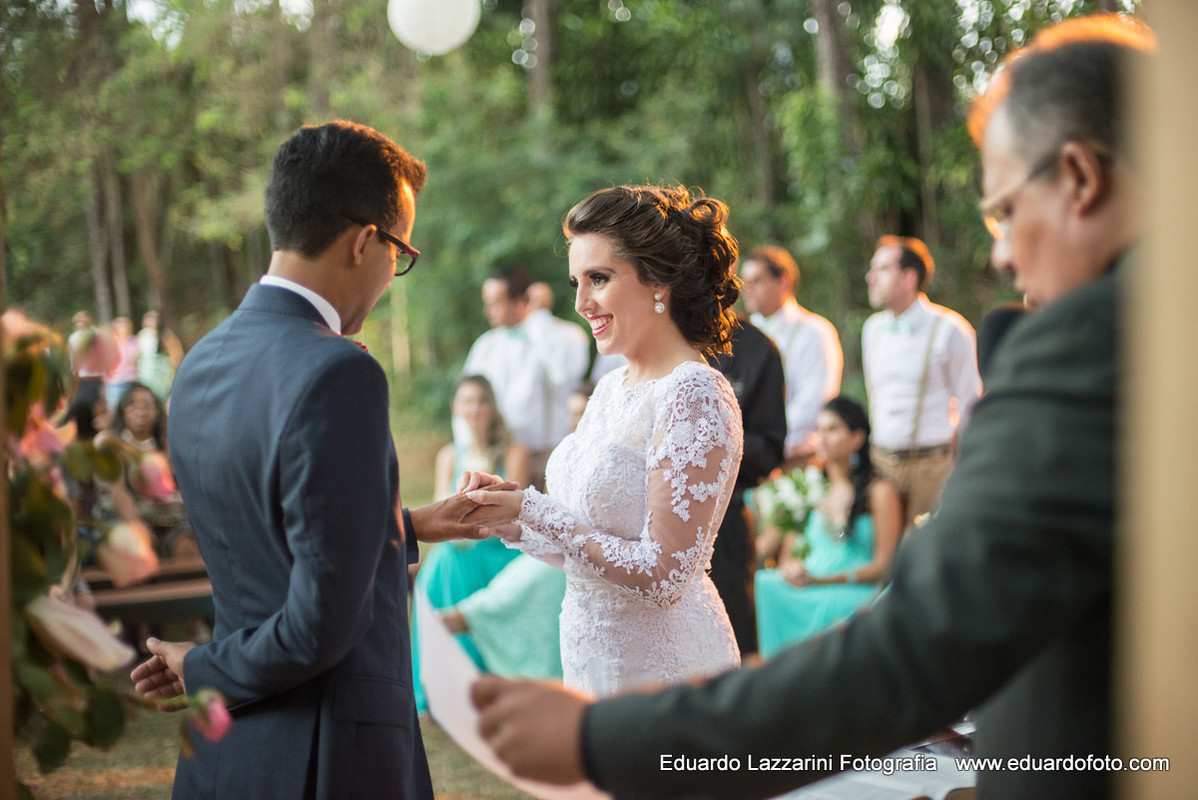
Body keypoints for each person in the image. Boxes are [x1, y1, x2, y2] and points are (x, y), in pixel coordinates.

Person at [469, 14, 1148, 799]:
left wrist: (605, 740)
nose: (998, 249)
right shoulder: (612, 389)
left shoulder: (1083, 354)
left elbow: (922, 644)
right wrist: (522, 514)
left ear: (1081, 179)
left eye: (1002, 209)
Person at [129, 120, 492, 799]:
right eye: (401, 254)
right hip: (324, 754)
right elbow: (320, 624)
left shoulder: (201, 362)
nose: (394, 274)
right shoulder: (338, 373)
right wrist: (200, 665)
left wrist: (407, 526)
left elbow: (274, 538)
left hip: (225, 757)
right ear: (364, 243)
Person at [465, 183, 745, 698]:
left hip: (666, 672)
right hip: (592, 657)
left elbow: (662, 577)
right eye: (576, 281)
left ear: (658, 280)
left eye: (598, 278)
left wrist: (535, 507)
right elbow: (585, 546)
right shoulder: (611, 387)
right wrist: (513, 517)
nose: (580, 302)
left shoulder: (693, 393)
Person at [412, 375, 528, 713]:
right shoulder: (449, 456)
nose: (474, 408)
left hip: (499, 548)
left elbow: (517, 510)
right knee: (443, 564)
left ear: (492, 407)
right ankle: (446, 690)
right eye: (466, 401)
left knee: (453, 560)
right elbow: (438, 507)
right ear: (456, 409)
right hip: (459, 546)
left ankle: (484, 682)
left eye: (480, 400)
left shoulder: (512, 452)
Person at [754, 396, 902, 656]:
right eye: (818, 430)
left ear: (857, 438)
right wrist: (792, 568)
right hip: (812, 581)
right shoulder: (810, 487)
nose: (821, 438)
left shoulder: (879, 491)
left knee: (836, 606)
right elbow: (793, 550)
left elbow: (884, 567)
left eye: (832, 429)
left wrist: (821, 580)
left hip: (853, 588)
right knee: (766, 582)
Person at [862, 235, 981, 530]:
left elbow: (970, 405)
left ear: (908, 277)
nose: (870, 277)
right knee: (883, 562)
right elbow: (874, 394)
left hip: (931, 468)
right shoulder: (872, 328)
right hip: (880, 466)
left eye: (882, 269)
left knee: (923, 562)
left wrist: (958, 469)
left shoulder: (950, 328)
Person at [462, 267, 589, 490]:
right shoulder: (484, 346)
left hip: (548, 456)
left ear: (520, 300)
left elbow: (563, 377)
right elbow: (467, 398)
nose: (488, 310)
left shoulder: (560, 334)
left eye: (495, 302)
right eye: (487, 302)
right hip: (500, 457)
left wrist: (538, 317)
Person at [709, 314, 786, 658]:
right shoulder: (644, 336)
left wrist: (713, 434)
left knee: (732, 637)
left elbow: (770, 450)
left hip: (723, 517)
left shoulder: (757, 350)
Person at [739, 245, 843, 464]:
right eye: (744, 281)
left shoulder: (814, 331)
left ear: (783, 282)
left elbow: (816, 398)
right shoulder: (743, 334)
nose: (746, 289)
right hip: (750, 454)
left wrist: (774, 439)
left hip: (799, 454)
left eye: (756, 280)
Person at [136, 309, 184, 402]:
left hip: (163, 376)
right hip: (146, 375)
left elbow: (177, 356)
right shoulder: (142, 336)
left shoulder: (166, 335)